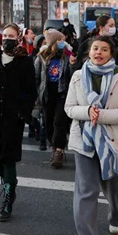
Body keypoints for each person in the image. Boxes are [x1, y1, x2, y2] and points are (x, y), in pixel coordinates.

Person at [64, 35, 118, 235]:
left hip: (112, 142)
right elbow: (70, 108)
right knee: (86, 191)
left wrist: (100, 115)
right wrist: (87, 112)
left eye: (104, 49)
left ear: (111, 54)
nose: (99, 53)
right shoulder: (77, 76)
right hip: (85, 142)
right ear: (89, 52)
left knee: (114, 186)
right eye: (95, 48)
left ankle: (116, 216)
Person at [0, 23, 36, 222]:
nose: (7, 38)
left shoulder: (24, 61)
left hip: (13, 117)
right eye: (5, 35)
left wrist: (24, 112)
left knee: (8, 159)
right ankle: (9, 183)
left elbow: (30, 90)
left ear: (18, 38)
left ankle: (7, 198)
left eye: (11, 35)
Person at [34, 29, 73, 168]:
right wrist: (37, 94)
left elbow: (72, 74)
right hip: (47, 93)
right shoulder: (42, 56)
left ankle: (59, 150)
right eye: (60, 40)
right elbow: (36, 76)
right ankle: (54, 146)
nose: (63, 42)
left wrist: (73, 61)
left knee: (59, 122)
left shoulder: (67, 55)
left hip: (62, 93)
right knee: (49, 122)